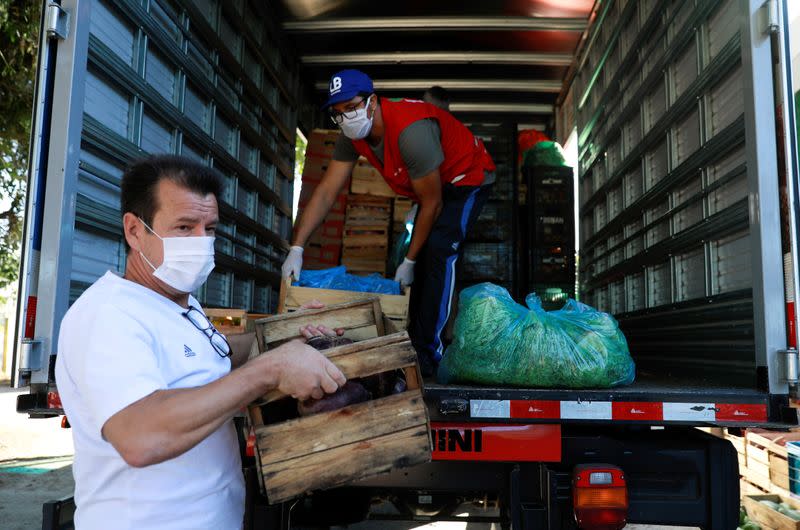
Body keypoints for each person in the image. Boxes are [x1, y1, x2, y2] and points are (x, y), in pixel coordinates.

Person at [55, 155, 346, 529]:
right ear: (134, 230)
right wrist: (270, 369)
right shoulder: (108, 315)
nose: (201, 242)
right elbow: (140, 436)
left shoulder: (178, 299)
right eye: (184, 226)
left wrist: (278, 335)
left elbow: (210, 354)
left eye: (209, 228)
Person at [282, 69, 496, 375]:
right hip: (431, 182)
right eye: (337, 113)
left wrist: (410, 261)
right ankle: (409, 334)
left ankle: (428, 352)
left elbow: (433, 203)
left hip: (467, 177)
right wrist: (297, 247)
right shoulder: (352, 136)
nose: (345, 117)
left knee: (438, 250)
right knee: (412, 253)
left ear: (372, 101)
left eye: (351, 107)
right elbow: (327, 191)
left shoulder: (411, 132)